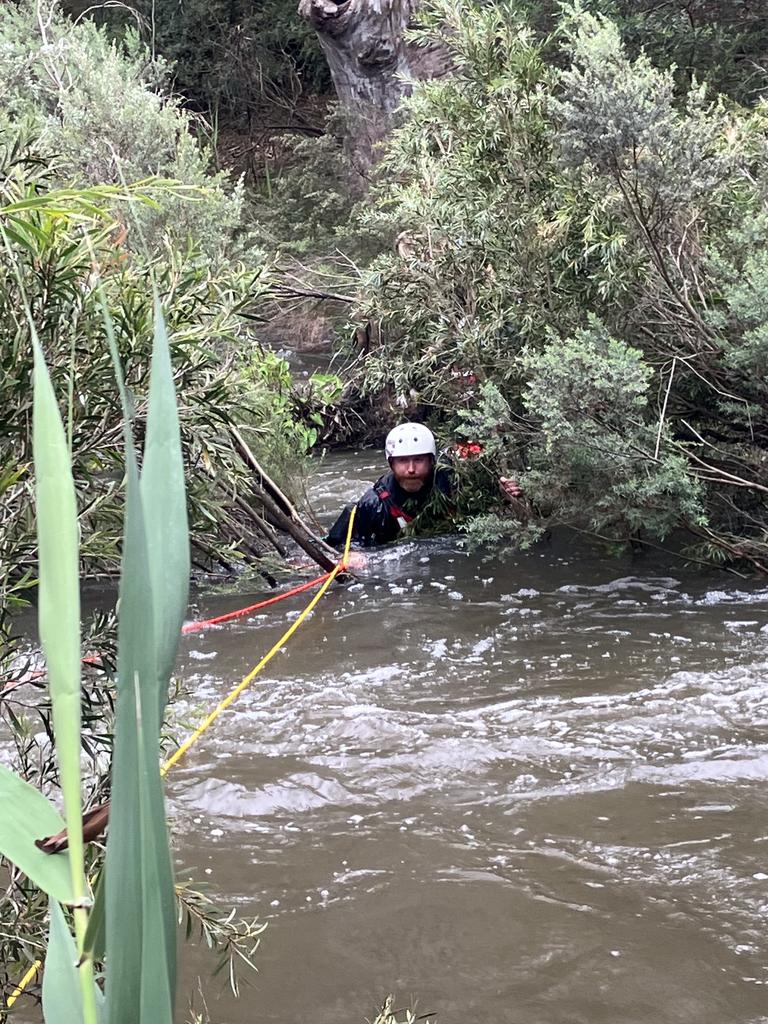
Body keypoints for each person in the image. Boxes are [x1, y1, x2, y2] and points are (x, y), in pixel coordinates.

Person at [326, 423, 453, 551]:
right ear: (391, 464)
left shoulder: (451, 486)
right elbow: (350, 545)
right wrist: (354, 553)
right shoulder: (374, 504)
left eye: (419, 460)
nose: (411, 469)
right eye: (403, 460)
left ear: (431, 461)